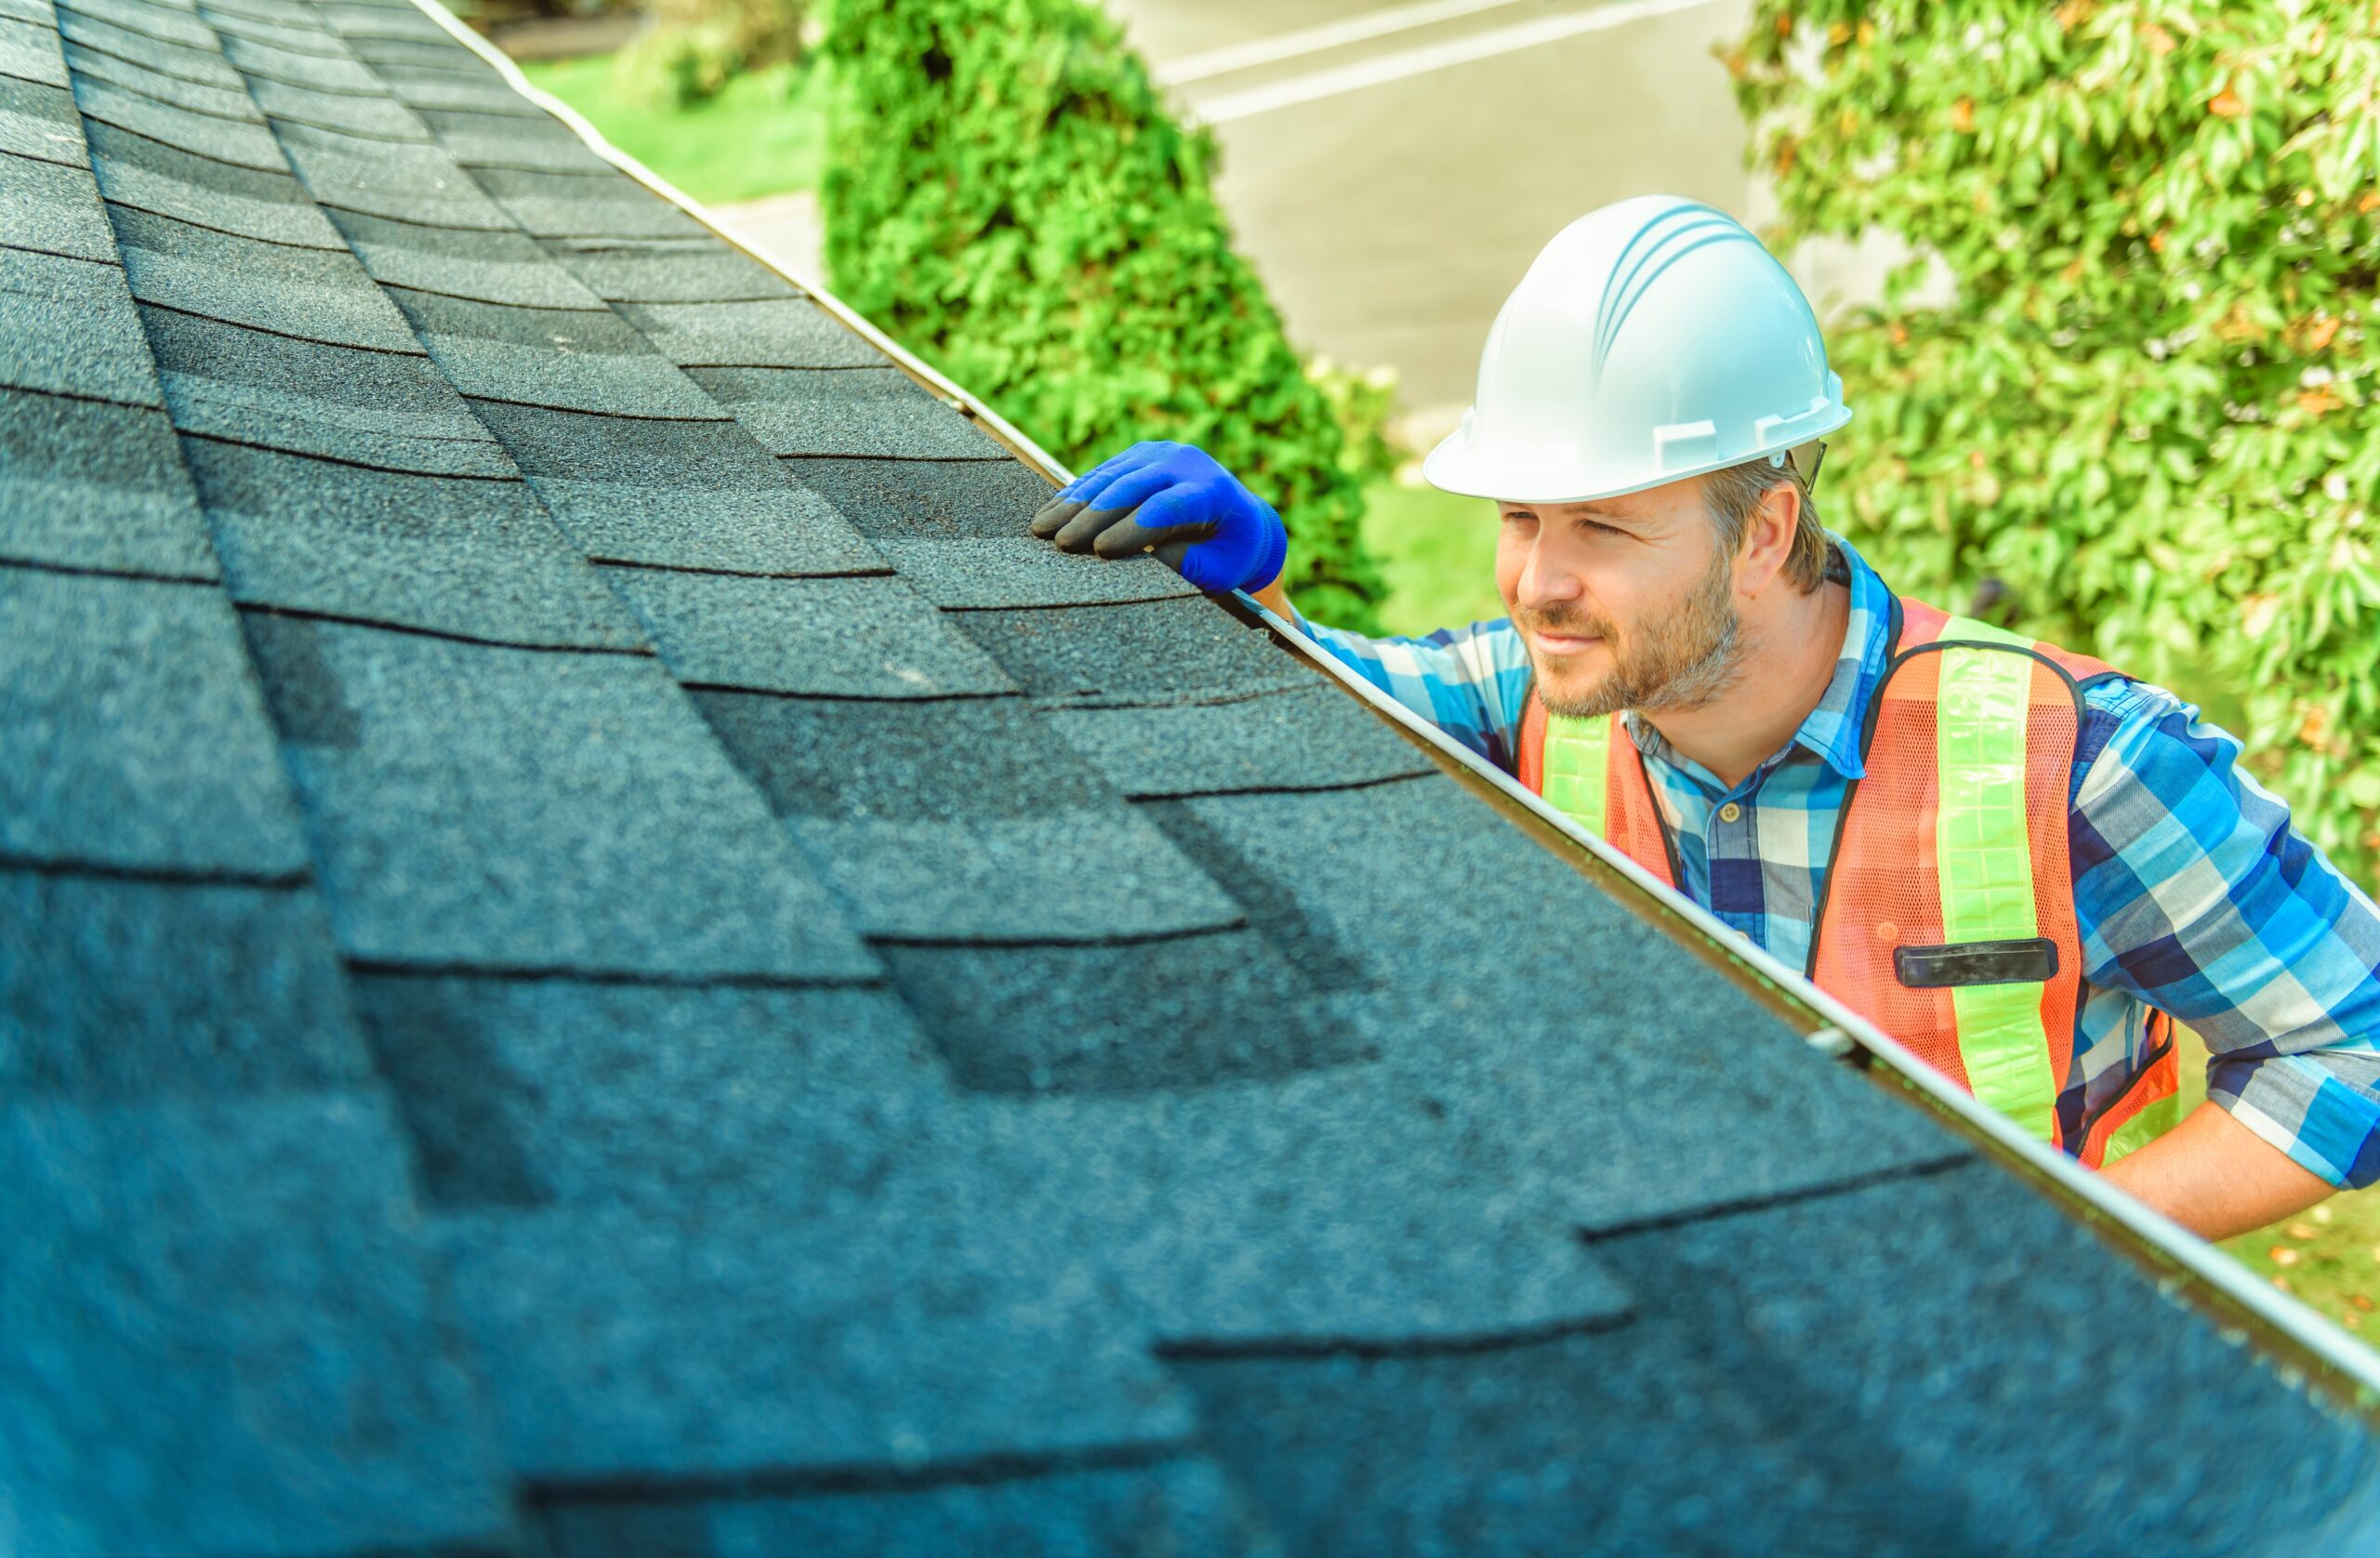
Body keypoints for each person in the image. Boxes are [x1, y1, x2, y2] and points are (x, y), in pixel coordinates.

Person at [1027, 193, 2380, 1242]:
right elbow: (1308, 713)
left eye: (1604, 527)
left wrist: (2082, 1247)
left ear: (1764, 529)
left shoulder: (2083, 765)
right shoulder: (1535, 702)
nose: (1537, 584)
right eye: (1517, 518)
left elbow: (2354, 1047)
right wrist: (1253, 596)